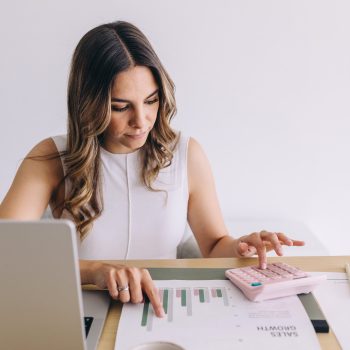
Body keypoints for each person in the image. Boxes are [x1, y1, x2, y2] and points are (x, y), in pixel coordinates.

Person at [0, 21, 304, 317]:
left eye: (151, 101)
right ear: (88, 104)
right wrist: (95, 271)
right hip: (81, 313)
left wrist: (241, 246)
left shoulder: (187, 154)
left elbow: (212, 246)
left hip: (162, 310)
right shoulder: (52, 158)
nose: (142, 120)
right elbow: (5, 251)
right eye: (120, 106)